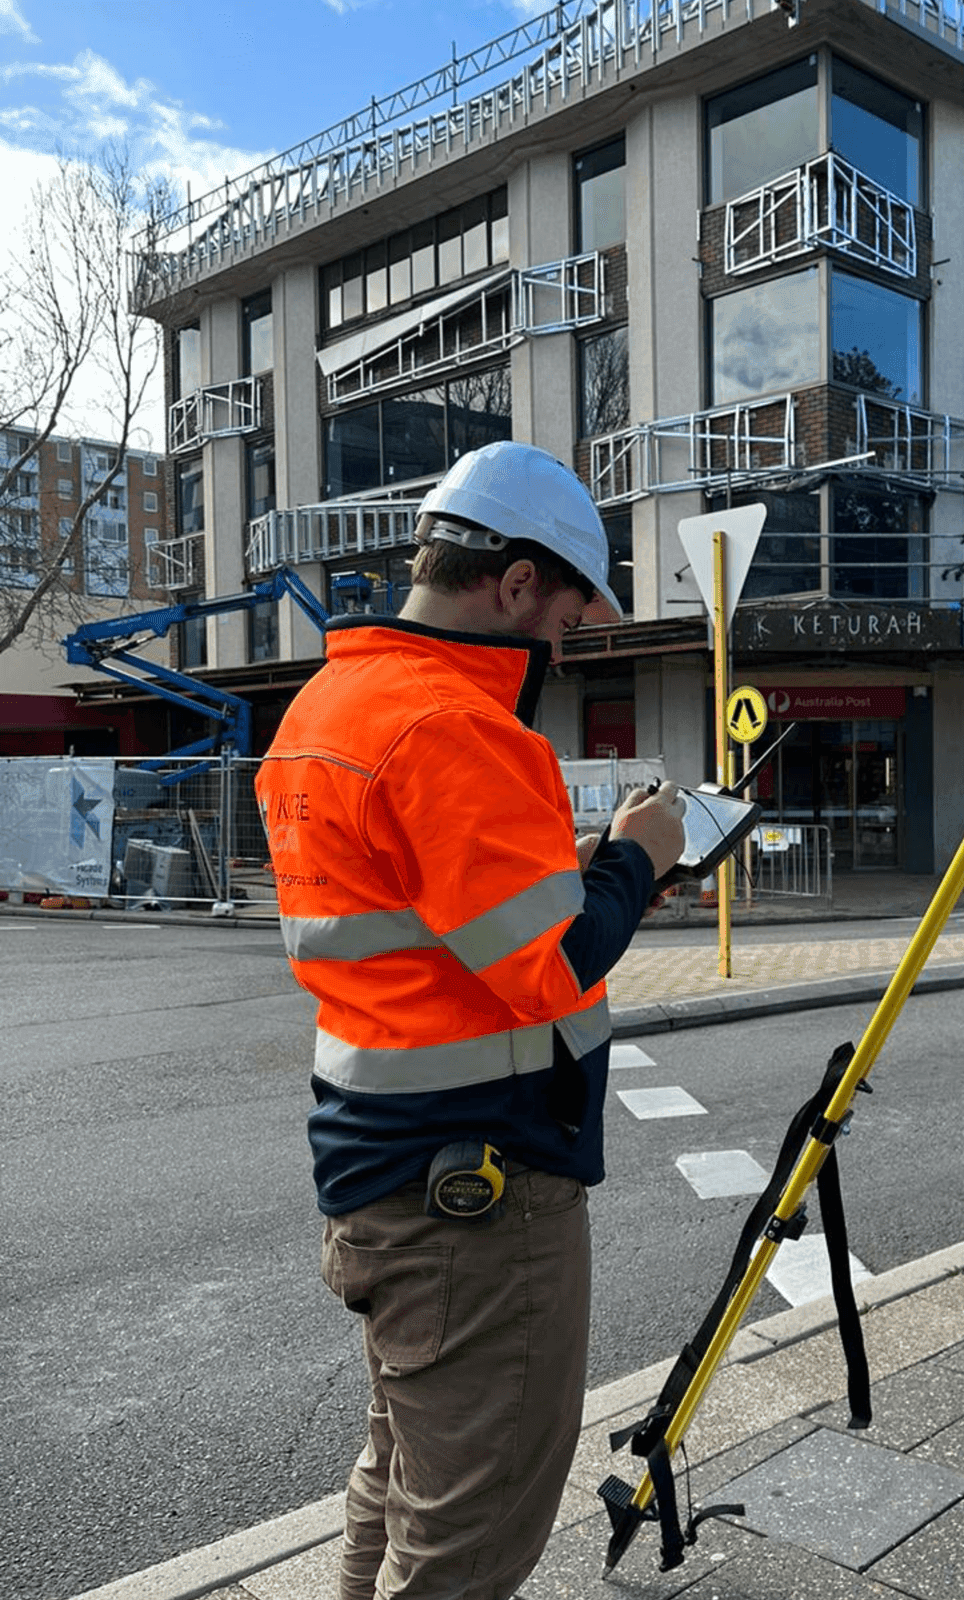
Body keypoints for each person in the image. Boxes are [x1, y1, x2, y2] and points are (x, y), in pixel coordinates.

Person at [255, 440, 686, 1600]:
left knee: (400, 1478)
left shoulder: (326, 707)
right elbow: (555, 964)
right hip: (479, 1198)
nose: (558, 648)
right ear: (513, 582)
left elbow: (455, 921)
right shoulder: (455, 728)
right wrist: (641, 861)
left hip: (378, 1161)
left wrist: (589, 866)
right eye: (559, 621)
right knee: (472, 1533)